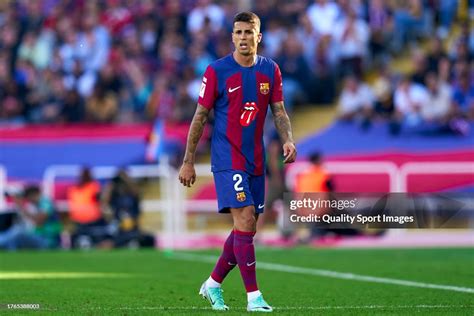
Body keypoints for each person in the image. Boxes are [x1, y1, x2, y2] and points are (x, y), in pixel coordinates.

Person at [178, 12, 297, 312]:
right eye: (238, 32)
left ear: (259, 37)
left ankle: (213, 284)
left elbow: (279, 111)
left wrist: (288, 139)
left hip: (255, 158)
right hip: (227, 157)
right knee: (244, 219)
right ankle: (253, 297)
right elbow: (200, 116)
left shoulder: (270, 70)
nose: (243, 37)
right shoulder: (217, 71)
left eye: (249, 32)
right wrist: (188, 160)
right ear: (232, 37)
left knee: (248, 227)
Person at [0, 185, 61, 250]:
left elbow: (39, 221)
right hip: (42, 237)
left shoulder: (46, 202)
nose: (28, 200)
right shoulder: (38, 205)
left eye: (28, 197)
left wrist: (21, 207)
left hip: (48, 241)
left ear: (34, 194)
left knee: (18, 232)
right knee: (15, 234)